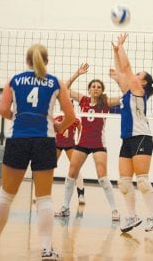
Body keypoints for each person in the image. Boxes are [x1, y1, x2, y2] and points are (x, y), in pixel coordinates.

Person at [0, 44, 75, 260]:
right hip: (45, 141)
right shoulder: (55, 82)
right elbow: (70, 115)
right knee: (44, 198)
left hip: (18, 140)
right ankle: (46, 249)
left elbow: (3, 110)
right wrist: (58, 127)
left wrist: (19, 118)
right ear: (47, 60)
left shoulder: (14, 80)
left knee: (5, 195)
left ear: (27, 60)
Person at [55, 63, 120, 221]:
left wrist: (118, 79)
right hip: (82, 143)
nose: (96, 88)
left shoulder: (106, 102)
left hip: (98, 144)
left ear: (101, 90)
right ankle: (65, 207)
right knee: (71, 174)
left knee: (102, 177)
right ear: (89, 89)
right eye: (93, 86)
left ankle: (114, 211)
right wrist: (77, 73)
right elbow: (64, 89)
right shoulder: (83, 100)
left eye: (99, 86)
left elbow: (125, 96)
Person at [110, 33, 153, 233]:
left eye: (140, 75)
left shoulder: (138, 89)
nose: (135, 76)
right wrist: (115, 51)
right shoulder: (128, 91)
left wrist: (121, 46)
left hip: (141, 137)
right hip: (127, 139)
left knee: (143, 180)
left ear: (144, 82)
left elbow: (126, 69)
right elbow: (122, 72)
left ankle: (152, 216)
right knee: (123, 182)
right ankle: (131, 216)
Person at [55, 113, 86, 204]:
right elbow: (51, 130)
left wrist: (79, 142)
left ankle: (81, 194)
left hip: (70, 146)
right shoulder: (57, 118)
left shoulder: (75, 120)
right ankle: (40, 195)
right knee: (49, 167)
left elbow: (81, 131)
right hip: (57, 145)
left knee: (76, 169)